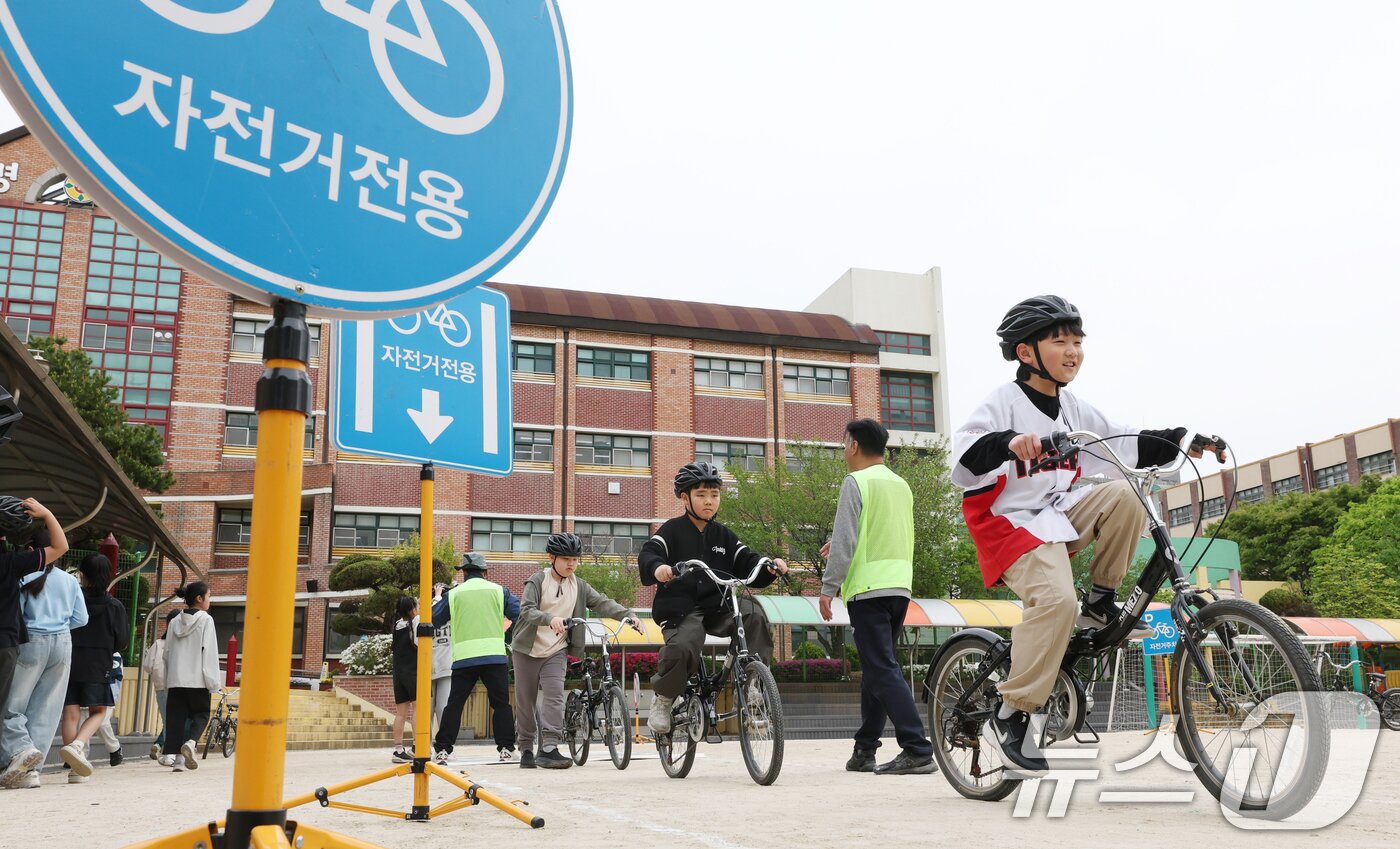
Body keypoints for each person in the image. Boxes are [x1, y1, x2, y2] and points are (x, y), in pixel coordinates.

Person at [953, 295, 1225, 776]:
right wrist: (1008, 443)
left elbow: (1124, 441)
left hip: (1057, 513)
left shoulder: (1073, 408)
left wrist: (1184, 439)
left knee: (1125, 493)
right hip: (1008, 520)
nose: (1073, 351)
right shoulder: (1003, 402)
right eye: (1060, 341)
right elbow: (964, 459)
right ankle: (1012, 712)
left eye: (1077, 342)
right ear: (1025, 352)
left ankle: (1100, 603)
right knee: (1057, 602)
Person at [820, 419, 935, 776]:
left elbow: (846, 540)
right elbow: (880, 532)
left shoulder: (855, 481)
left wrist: (828, 588)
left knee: (882, 668)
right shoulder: (901, 485)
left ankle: (917, 748)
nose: (844, 452)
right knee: (877, 668)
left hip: (868, 590)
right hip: (899, 587)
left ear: (854, 445)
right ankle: (865, 749)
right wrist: (840, 545)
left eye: (844, 444)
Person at [638, 462, 789, 734]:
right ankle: (664, 698)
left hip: (719, 605)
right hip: (682, 608)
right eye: (701, 495)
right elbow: (650, 553)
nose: (709, 501)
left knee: (754, 614)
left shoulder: (724, 536)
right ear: (685, 498)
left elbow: (747, 561)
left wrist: (768, 567)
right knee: (684, 644)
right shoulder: (671, 530)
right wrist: (658, 568)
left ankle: (753, 683)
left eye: (714, 495)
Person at [511, 532, 642, 769]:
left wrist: (629, 615)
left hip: (556, 649)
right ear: (552, 558)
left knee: (554, 695)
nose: (571, 564)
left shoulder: (579, 586)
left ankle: (549, 748)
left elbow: (602, 602)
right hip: (527, 649)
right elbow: (527, 610)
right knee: (526, 701)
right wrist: (550, 618)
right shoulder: (537, 581)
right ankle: (527, 747)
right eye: (566, 559)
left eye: (575, 559)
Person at [0, 514, 76, 790]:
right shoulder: (15, 564)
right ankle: (31, 770)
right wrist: (45, 514)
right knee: (45, 709)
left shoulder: (24, 574)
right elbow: (81, 618)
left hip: (30, 641)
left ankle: (19, 751)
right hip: (56, 642)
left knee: (12, 706)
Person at [431, 553, 519, 764]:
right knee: (501, 704)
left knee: (454, 704)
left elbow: (433, 619)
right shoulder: (499, 591)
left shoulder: (454, 594)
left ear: (463, 572)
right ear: (485, 572)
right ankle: (506, 749)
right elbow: (520, 614)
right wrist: (506, 636)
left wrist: (438, 598)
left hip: (465, 658)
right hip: (494, 656)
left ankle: (443, 750)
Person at [60, 554, 129, 783]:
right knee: (98, 712)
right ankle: (78, 747)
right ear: (109, 575)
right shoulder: (115, 606)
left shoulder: (73, 598)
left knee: (70, 714)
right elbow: (122, 641)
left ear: (82, 574)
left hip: (70, 659)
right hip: (99, 662)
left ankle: (75, 768)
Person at [160, 582, 221, 772]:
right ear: (199, 598)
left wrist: (169, 678)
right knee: (201, 714)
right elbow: (209, 652)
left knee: (177, 719)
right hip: (198, 679)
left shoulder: (175, 621)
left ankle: (177, 761)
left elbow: (166, 653)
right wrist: (213, 683)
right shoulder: (206, 620)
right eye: (208, 596)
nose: (210, 600)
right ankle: (191, 742)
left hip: (176, 679)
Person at [142, 610, 181, 760]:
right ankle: (168, 754)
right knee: (176, 721)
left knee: (167, 720)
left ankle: (164, 748)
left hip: (161, 687)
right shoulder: (182, 644)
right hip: (179, 686)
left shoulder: (158, 644)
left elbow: (147, 666)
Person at [390, 596, 418, 764]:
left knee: (400, 713)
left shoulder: (396, 625)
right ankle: (416, 746)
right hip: (413, 672)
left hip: (398, 673)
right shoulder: (414, 623)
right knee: (417, 710)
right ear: (412, 609)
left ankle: (398, 750)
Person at [92, 652, 124, 766]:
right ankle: (80, 754)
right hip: (90, 691)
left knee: (102, 723)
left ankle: (115, 748)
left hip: (108, 693)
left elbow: (113, 675)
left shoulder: (115, 655)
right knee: (84, 722)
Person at [429, 583, 453, 736]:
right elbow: (433, 613)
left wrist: (438, 597)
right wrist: (437, 597)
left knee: (443, 709)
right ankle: (424, 744)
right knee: (427, 711)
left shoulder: (453, 616)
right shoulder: (423, 616)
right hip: (428, 668)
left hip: (446, 667)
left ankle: (443, 743)